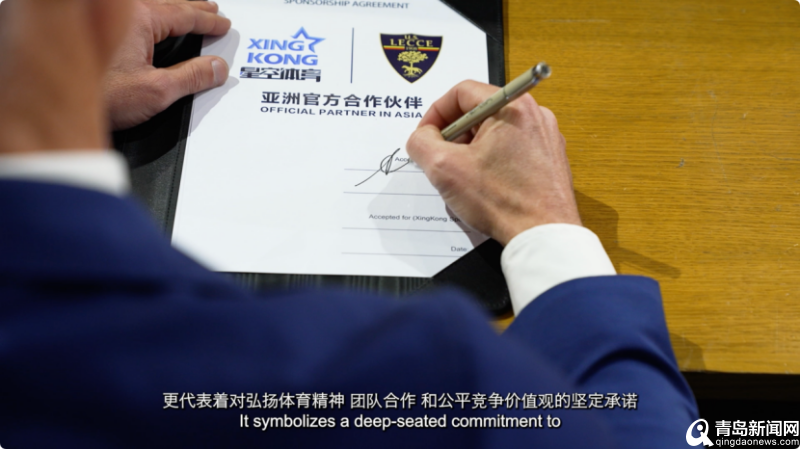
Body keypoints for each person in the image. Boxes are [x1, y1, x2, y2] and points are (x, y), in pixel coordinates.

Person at [0, 0, 698, 447]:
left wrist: (47, 85)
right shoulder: (410, 368)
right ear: (99, 20)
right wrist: (543, 222)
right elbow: (638, 431)